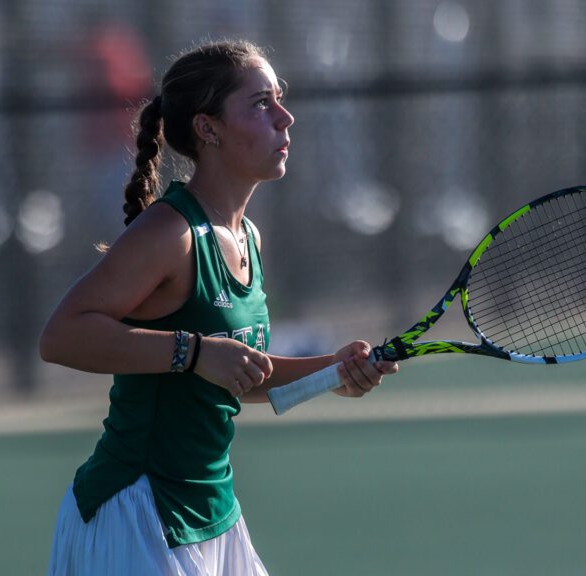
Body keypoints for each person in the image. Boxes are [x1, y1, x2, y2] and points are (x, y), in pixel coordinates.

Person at [39, 40, 399, 575]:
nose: (285, 116)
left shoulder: (246, 236)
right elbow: (62, 336)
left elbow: (236, 373)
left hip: (212, 513)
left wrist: (334, 371)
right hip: (138, 510)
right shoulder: (169, 231)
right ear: (208, 129)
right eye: (260, 104)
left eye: (279, 98)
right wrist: (191, 350)